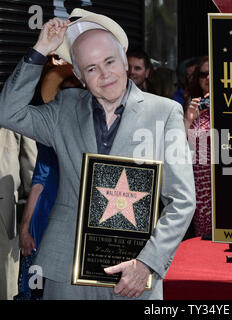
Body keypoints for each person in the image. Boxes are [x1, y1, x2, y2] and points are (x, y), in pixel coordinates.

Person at [0, 8, 195, 300]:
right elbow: (8, 112)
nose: (105, 75)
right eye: (91, 68)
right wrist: (40, 50)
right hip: (66, 268)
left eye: (110, 62)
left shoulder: (164, 113)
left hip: (134, 269)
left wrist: (148, 262)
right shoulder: (63, 107)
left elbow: (182, 200)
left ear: (126, 62)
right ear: (78, 74)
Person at [15, 58, 80, 300]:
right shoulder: (48, 132)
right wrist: (25, 227)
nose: (70, 99)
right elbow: (39, 180)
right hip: (44, 218)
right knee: (37, 287)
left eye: (76, 92)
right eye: (64, 93)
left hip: (77, 218)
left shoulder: (97, 131)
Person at [0, 129, 37, 299]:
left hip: (4, 212)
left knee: (6, 281)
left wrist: (32, 218)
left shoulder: (13, 114)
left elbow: (31, 169)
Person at [183, 56, 212, 238]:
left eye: (214, 73)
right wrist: (188, 119)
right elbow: (176, 148)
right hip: (199, 189)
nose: (208, 78)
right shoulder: (193, 108)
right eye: (203, 74)